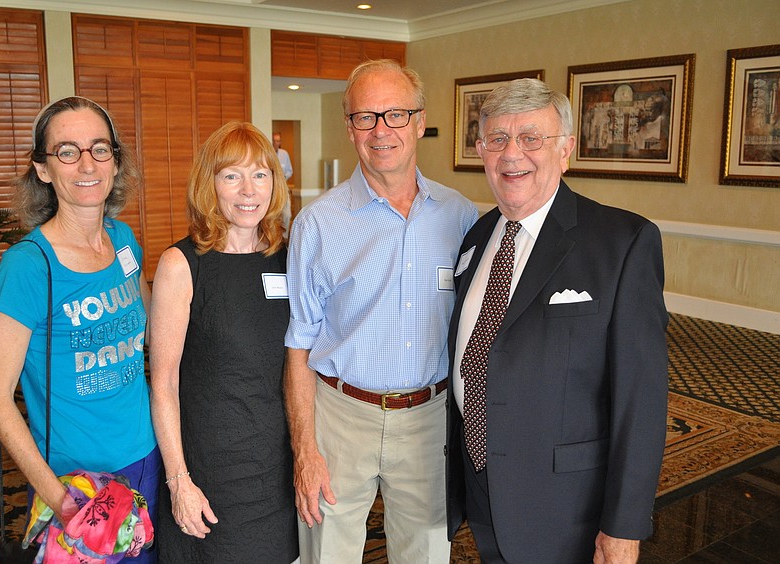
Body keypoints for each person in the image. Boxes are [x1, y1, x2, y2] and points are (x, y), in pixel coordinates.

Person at [446, 78, 668, 563]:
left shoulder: (623, 242)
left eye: (531, 138)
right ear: (481, 151)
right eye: (498, 139)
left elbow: (642, 401)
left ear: (565, 149)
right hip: (482, 487)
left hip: (567, 508)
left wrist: (623, 526)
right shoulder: (477, 237)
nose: (512, 154)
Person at [285, 59, 479, 563]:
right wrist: (305, 451)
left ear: (419, 122)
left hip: (430, 419)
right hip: (339, 418)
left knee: (427, 554)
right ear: (350, 128)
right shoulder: (316, 224)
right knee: (326, 554)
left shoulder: (461, 216)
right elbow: (299, 343)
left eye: (395, 114)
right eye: (365, 117)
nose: (381, 130)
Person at [0, 96, 160, 562]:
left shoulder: (123, 240)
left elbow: (151, 331)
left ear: (115, 162)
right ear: (43, 169)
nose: (87, 164)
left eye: (100, 149)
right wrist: (59, 499)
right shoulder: (26, 267)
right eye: (67, 151)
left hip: (144, 456)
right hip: (75, 480)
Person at [149, 122, 298, 563]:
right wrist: (179, 481)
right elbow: (164, 384)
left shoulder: (289, 257)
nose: (248, 190)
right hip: (209, 469)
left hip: (276, 467)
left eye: (260, 174)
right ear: (209, 184)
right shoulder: (182, 265)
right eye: (232, 175)